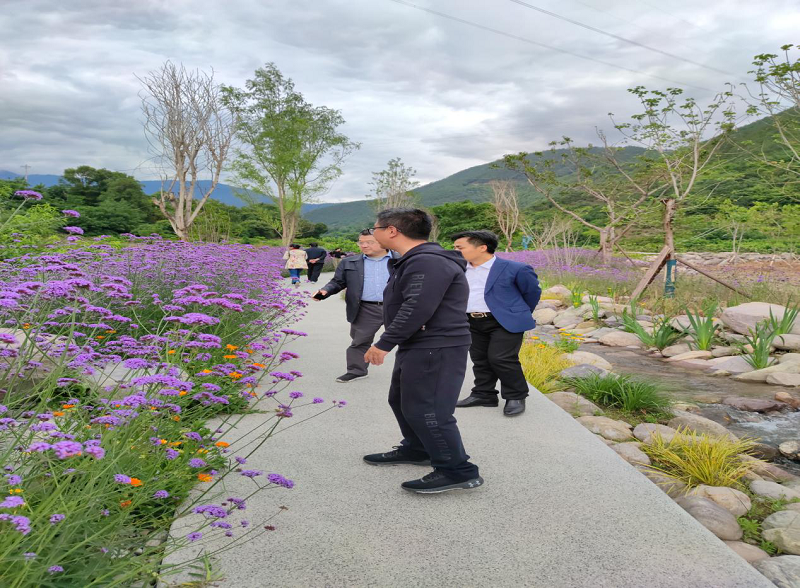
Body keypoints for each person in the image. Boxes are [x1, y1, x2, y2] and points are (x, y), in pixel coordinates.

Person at [362, 208, 483, 494]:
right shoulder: (416, 260)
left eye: (375, 228)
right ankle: (418, 449)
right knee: (401, 400)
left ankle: (457, 470)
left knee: (428, 409)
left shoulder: (428, 262)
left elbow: (416, 307)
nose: (372, 234)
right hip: (420, 343)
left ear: (392, 231)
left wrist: (384, 343)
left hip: (436, 345)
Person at [452, 230, 541, 416]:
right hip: (471, 320)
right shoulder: (459, 268)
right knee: (480, 359)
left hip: (504, 321)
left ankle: (516, 396)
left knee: (501, 358)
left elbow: (532, 293)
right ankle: (484, 394)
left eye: (460, 247)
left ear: (482, 247)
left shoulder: (516, 268)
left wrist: (516, 313)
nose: (456, 251)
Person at [314, 231, 393, 383]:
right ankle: (357, 370)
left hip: (398, 307)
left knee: (413, 338)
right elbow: (337, 282)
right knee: (360, 340)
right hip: (366, 308)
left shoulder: (401, 259)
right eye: (361, 242)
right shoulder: (349, 262)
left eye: (369, 242)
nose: (364, 245)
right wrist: (325, 291)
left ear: (383, 241)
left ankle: (418, 371)